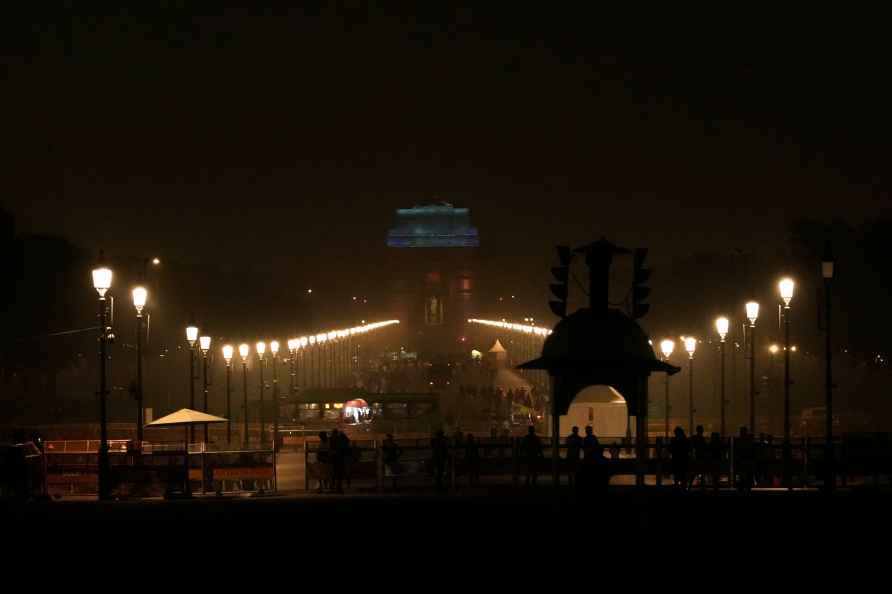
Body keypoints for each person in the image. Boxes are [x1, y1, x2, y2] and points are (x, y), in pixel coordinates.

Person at [669, 426, 690, 490]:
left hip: (676, 460)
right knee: (683, 475)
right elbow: (688, 449)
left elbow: (670, 449)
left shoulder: (674, 440)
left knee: (676, 475)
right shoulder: (685, 440)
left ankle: (677, 488)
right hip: (683, 460)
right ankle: (683, 488)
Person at [735, 427, 754, 494]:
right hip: (748, 460)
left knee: (742, 476)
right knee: (748, 476)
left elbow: (737, 451)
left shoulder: (739, 441)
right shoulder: (749, 441)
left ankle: (741, 488)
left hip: (741, 460)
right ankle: (748, 488)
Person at [689, 425, 707, 489]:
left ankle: (689, 487)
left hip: (696, 458)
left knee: (693, 473)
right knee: (702, 473)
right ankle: (702, 487)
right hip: (701, 458)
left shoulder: (694, 438)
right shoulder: (702, 439)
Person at [329, 428, 345, 493]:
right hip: (339, 458)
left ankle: (332, 487)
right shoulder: (339, 439)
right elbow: (347, 441)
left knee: (333, 473)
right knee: (339, 474)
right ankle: (338, 487)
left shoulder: (331, 439)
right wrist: (342, 434)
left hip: (333, 458)